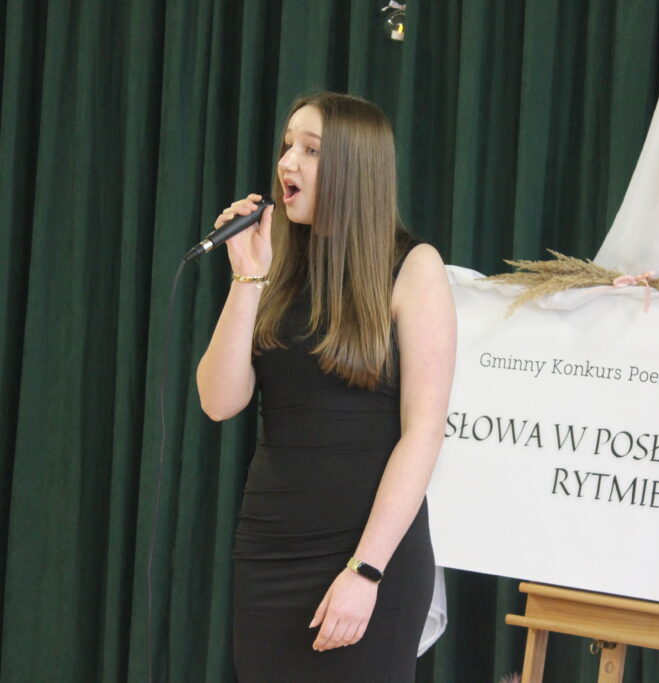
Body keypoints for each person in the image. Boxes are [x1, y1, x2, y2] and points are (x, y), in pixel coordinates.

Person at [196, 92, 456, 681]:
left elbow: (424, 432)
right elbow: (218, 400)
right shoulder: (278, 266)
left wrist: (366, 571)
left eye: (310, 150)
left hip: (367, 555)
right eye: (288, 145)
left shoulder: (412, 268)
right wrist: (246, 276)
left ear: (354, 167)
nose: (287, 162)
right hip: (270, 550)